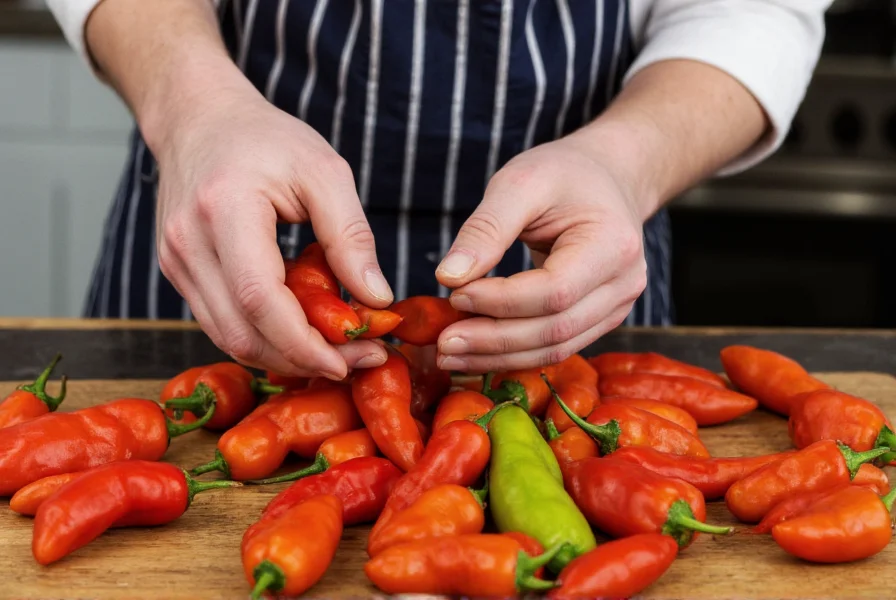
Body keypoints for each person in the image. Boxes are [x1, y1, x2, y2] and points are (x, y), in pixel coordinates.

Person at [48, 0, 831, 380]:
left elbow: (753, 8)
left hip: (575, 258)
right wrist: (195, 108)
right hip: (225, 216)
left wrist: (624, 166)